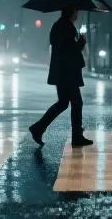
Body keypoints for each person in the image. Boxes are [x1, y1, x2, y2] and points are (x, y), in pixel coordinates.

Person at [29, 8, 92, 147]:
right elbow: (70, 50)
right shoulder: (65, 27)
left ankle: (38, 128)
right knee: (76, 103)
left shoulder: (61, 25)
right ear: (71, 13)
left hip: (63, 71)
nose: (77, 14)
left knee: (63, 103)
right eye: (76, 12)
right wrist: (81, 42)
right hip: (67, 71)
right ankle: (76, 136)